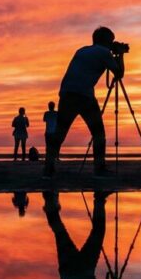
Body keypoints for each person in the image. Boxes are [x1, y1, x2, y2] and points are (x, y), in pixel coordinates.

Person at [44, 26, 126, 178]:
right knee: (98, 133)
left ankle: (48, 168)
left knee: (60, 133)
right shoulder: (104, 52)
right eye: (111, 40)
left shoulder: (81, 50)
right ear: (106, 40)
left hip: (66, 94)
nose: (112, 44)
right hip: (84, 96)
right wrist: (120, 54)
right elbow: (119, 73)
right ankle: (99, 169)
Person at [43, 191, 128, 279]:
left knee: (98, 232)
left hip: (83, 270)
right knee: (60, 233)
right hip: (66, 272)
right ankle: (50, 201)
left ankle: (99, 199)